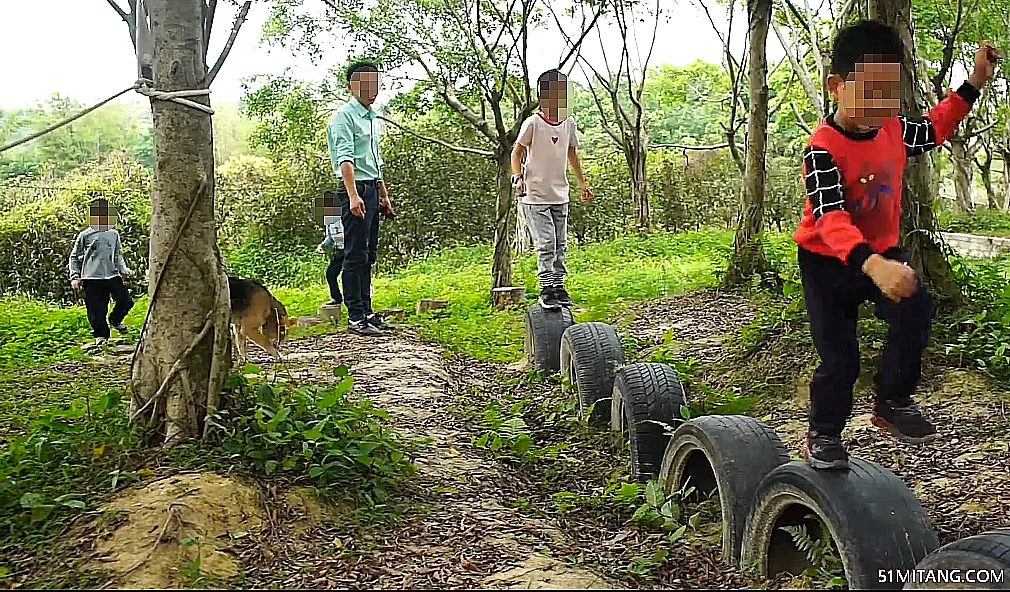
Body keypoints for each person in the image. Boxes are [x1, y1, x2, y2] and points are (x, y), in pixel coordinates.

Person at [795, 20, 1001, 470]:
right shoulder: (821, 149)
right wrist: (872, 265)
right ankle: (823, 435)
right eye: (869, 92)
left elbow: (935, 127)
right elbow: (830, 218)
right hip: (827, 262)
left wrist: (974, 83)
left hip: (882, 253)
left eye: (889, 93)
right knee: (839, 360)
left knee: (915, 308)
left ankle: (892, 400)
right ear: (836, 86)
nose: (881, 105)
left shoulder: (893, 129)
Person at [511, 69, 592, 310]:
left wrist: (582, 183)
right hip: (535, 196)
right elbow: (516, 152)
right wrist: (518, 178)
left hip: (560, 194)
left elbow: (571, 154)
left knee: (560, 244)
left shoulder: (568, 123)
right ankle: (546, 289)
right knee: (546, 243)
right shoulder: (533, 123)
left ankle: (558, 286)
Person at [326, 60, 394, 336]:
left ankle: (367, 311)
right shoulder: (344, 117)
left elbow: (373, 162)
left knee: (368, 255)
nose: (371, 89)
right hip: (355, 191)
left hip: (371, 190)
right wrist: (353, 196)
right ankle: (355, 316)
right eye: (364, 84)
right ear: (351, 85)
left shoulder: (371, 117)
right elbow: (346, 159)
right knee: (354, 255)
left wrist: (383, 196)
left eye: (375, 83)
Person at [68, 198, 135, 347]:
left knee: (126, 301)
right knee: (96, 310)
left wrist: (124, 270)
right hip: (91, 278)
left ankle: (115, 321)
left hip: (112, 275)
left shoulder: (113, 234)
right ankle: (101, 337)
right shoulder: (85, 235)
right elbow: (74, 256)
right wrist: (74, 277)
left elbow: (117, 255)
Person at [315, 192, 345, 307]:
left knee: (349, 276)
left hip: (350, 249)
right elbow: (329, 237)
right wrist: (322, 245)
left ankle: (355, 302)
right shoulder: (329, 221)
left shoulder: (345, 216)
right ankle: (336, 299)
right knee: (330, 274)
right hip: (339, 251)